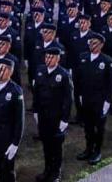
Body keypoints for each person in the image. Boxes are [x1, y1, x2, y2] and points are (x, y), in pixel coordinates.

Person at [74, 33, 112, 165]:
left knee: (99, 128)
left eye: (95, 43)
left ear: (102, 45)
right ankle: (88, 149)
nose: (92, 45)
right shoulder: (83, 57)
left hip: (100, 100)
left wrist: (108, 101)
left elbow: (111, 84)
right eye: (91, 42)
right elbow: (78, 78)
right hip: (86, 98)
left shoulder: (107, 61)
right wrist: (79, 94)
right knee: (88, 126)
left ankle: (97, 151)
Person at [32, 45, 72, 182]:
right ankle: (47, 169)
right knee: (46, 145)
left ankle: (56, 173)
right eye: (47, 56)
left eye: (51, 57)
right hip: (43, 116)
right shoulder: (40, 71)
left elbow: (68, 99)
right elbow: (36, 93)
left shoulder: (64, 75)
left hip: (56, 117)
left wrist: (65, 119)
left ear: (58, 59)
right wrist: (35, 110)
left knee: (56, 147)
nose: (48, 59)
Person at [0, 57, 24, 182]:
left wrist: (15, 143)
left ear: (11, 72)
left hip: (6, 135)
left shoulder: (15, 91)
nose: (0, 71)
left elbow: (19, 121)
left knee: (7, 168)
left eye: (4, 69)